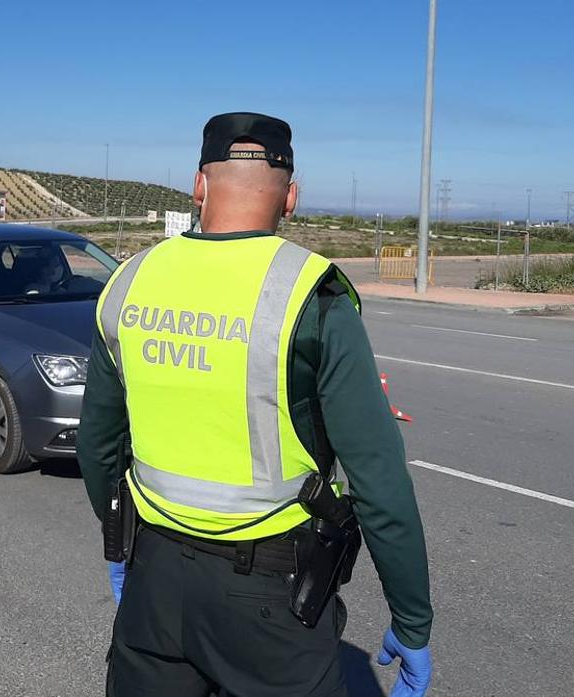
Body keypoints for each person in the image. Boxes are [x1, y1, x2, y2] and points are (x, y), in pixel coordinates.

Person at [77, 112, 433, 697]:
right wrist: (412, 622)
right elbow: (379, 480)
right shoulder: (311, 295)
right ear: (290, 196)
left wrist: (120, 547)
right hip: (273, 601)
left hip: (154, 578)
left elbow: (98, 445)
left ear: (198, 185)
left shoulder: (130, 282)